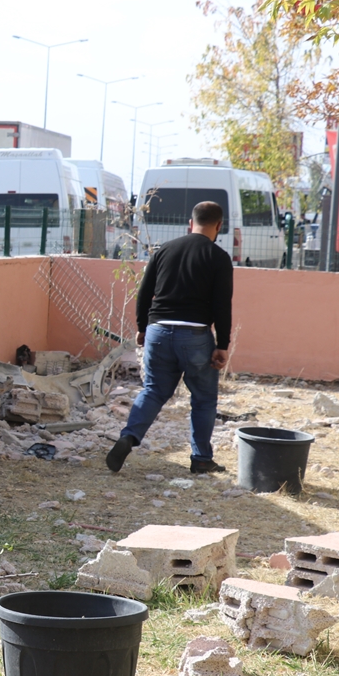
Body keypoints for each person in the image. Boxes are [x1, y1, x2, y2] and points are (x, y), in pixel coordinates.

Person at [106, 200, 233, 474]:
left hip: (158, 330)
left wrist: (142, 327)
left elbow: (144, 293)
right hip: (195, 335)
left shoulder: (164, 250)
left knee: (153, 390)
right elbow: (223, 304)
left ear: (191, 223)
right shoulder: (218, 257)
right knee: (203, 398)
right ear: (219, 226)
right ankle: (201, 459)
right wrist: (222, 344)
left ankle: (128, 437)